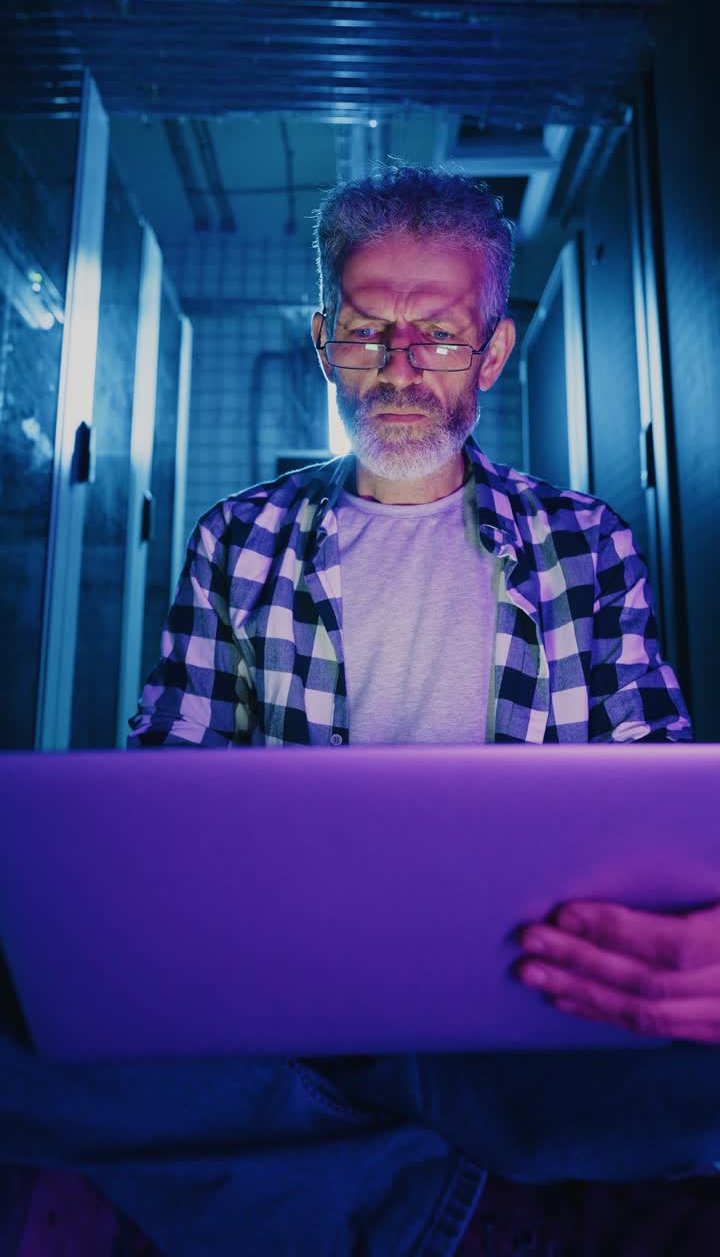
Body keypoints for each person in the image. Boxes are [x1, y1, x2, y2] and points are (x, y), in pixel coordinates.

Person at [4, 167, 718, 1257]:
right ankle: (456, 1201)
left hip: (542, 1006)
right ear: (322, 336)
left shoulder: (588, 542)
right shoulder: (235, 539)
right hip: (299, 1015)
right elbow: (167, 802)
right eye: (365, 330)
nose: (397, 366)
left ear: (493, 352)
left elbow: (663, 801)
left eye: (436, 332)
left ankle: (360, 1177)